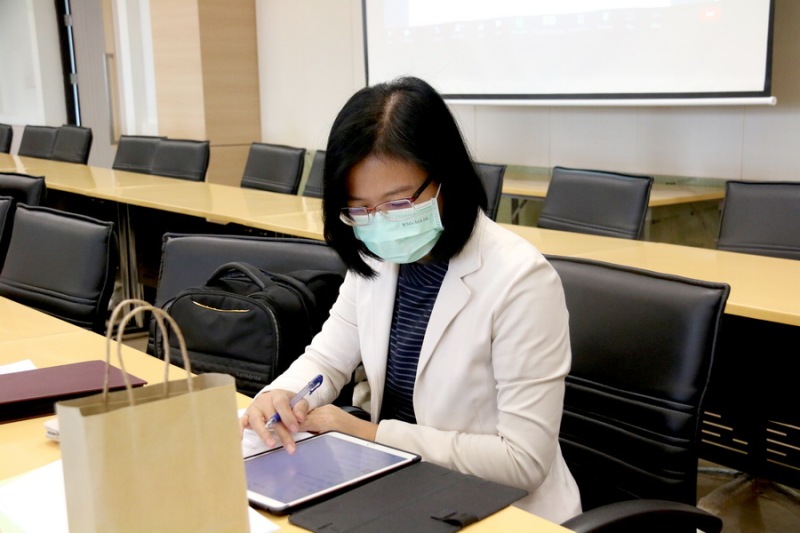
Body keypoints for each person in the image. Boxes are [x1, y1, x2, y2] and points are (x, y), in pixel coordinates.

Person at [240, 76, 582, 523]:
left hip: (497, 507)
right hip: (395, 485)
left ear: (445, 179)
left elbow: (522, 462)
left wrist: (369, 434)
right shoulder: (376, 255)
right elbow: (326, 360)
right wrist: (281, 395)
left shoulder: (521, 280)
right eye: (359, 209)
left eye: (398, 204)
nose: (379, 224)